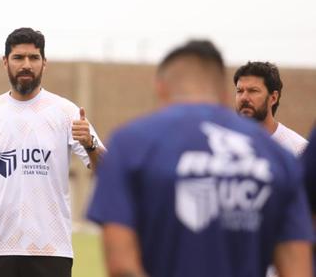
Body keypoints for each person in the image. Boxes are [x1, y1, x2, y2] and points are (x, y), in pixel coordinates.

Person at [87, 40, 313, 277]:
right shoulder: (279, 157)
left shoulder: (129, 145)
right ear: (225, 95)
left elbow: (121, 266)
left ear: (161, 88)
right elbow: (297, 267)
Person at [0, 27, 105, 277]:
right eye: (18, 58)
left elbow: (107, 170)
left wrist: (89, 143)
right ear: (5, 62)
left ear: (44, 63)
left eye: (33, 58)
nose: (26, 64)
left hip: (51, 250)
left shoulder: (65, 111)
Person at [234, 61, 308, 156]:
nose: (244, 98)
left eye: (253, 91)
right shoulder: (222, 144)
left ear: (273, 98)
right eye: (239, 91)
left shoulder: (298, 150)